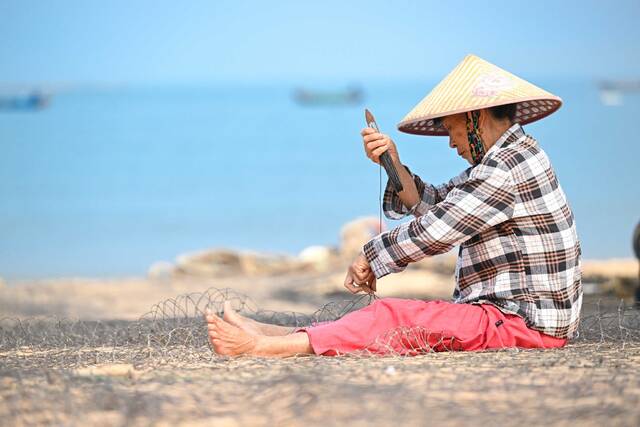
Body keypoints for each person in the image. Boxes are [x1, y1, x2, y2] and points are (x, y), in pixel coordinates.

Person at [205, 54, 583, 357]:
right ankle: (278, 335)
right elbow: (435, 203)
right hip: (513, 318)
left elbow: (438, 230)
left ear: (475, 117)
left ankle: (265, 346)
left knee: (394, 315)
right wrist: (392, 162)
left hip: (522, 323)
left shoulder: (505, 168)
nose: (452, 143)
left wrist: (370, 255)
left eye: (451, 130)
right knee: (400, 316)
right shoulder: (508, 159)